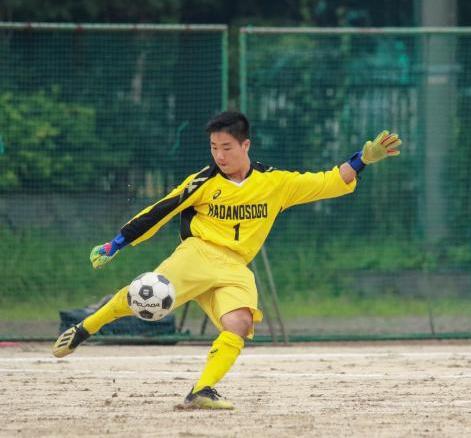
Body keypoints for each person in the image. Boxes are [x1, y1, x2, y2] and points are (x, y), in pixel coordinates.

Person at [52, 111, 401, 409]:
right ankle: (85, 328)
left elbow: (328, 182)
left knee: (240, 323)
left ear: (245, 145)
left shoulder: (275, 183)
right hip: (197, 255)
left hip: (235, 268)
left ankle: (200, 391)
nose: (219, 155)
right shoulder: (202, 182)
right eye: (214, 147)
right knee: (145, 294)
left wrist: (362, 160)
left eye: (227, 147)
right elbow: (159, 211)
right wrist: (117, 243)